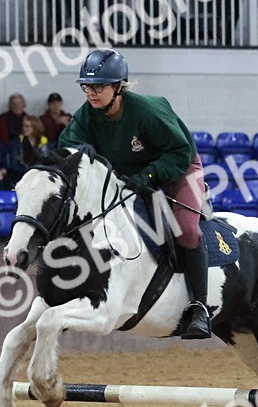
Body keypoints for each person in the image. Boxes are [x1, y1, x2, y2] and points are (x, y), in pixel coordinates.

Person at [57, 48, 211, 340]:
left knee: (187, 231)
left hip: (178, 169)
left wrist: (149, 175)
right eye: (86, 86)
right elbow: (66, 146)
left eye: (98, 86)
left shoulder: (148, 110)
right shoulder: (86, 115)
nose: (90, 93)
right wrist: (80, 152)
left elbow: (180, 152)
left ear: (118, 87)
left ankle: (199, 307)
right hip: (130, 177)